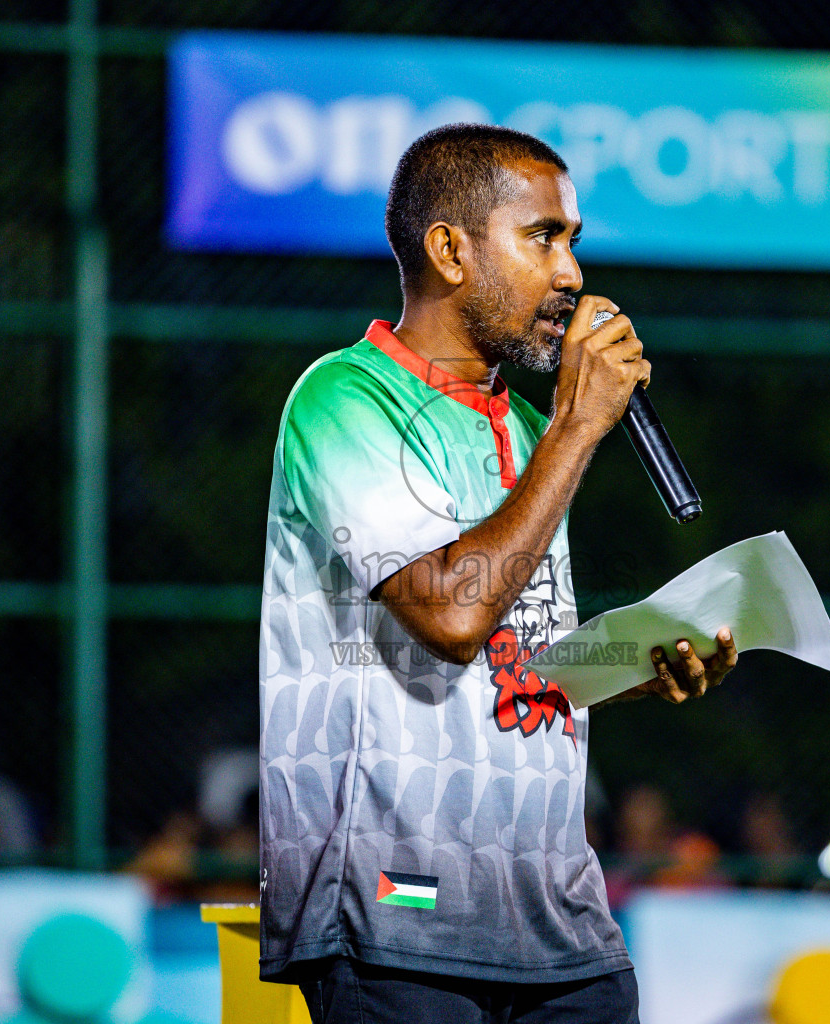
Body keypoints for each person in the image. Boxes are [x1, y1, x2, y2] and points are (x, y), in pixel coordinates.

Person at [258, 123, 738, 1024]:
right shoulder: (344, 398)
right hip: (397, 911)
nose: (571, 275)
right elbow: (448, 616)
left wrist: (641, 668)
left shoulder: (523, 427)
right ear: (449, 250)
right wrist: (578, 429)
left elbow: (522, 658)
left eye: (574, 242)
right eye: (543, 237)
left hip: (558, 919)